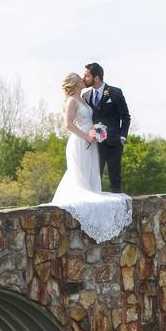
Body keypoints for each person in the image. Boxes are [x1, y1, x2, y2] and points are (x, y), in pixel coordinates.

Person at [47, 72, 132, 243]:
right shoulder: (72, 101)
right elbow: (68, 124)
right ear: (75, 82)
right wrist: (86, 136)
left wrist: (96, 131)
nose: (83, 79)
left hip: (91, 141)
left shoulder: (84, 98)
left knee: (90, 171)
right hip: (80, 142)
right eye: (80, 78)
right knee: (79, 173)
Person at [82, 62, 130, 193]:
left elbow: (125, 117)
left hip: (114, 143)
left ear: (96, 78)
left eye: (86, 76)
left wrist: (122, 137)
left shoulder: (115, 92)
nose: (83, 79)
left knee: (115, 178)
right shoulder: (85, 96)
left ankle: (118, 211)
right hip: (94, 145)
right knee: (94, 179)